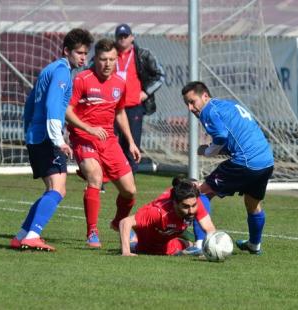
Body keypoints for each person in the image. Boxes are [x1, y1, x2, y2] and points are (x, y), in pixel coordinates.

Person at [10, 28, 94, 252]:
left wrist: (29, 130)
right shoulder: (62, 73)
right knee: (58, 189)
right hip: (47, 139)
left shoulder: (51, 69)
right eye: (79, 53)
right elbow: (53, 107)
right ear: (67, 51)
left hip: (37, 136)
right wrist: (58, 140)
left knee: (53, 189)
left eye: (85, 53)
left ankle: (21, 235)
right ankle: (33, 235)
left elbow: (30, 104)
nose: (83, 58)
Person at [182, 81, 274, 255]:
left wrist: (207, 151)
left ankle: (200, 243)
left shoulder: (208, 111)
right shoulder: (227, 105)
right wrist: (210, 149)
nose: (190, 107)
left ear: (205, 96)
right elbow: (233, 138)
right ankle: (254, 245)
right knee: (252, 203)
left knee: (202, 193)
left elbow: (222, 137)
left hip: (246, 161)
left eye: (192, 102)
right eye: (187, 103)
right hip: (266, 160)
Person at [66, 38, 141, 248]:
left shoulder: (119, 82)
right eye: (102, 59)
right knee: (95, 177)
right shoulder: (82, 79)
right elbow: (67, 110)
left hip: (109, 140)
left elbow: (120, 112)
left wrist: (131, 142)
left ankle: (118, 222)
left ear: (117, 59)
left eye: (111, 59)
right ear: (94, 59)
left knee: (130, 191)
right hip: (83, 137)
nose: (107, 64)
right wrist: (87, 129)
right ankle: (92, 232)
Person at [119, 176, 216, 256]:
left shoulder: (193, 201)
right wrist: (126, 252)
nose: (191, 210)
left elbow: (209, 228)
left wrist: (214, 249)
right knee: (146, 248)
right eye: (186, 207)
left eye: (193, 206)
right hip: (147, 244)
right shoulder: (158, 212)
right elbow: (124, 222)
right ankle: (133, 240)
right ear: (175, 203)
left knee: (192, 246)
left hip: (168, 242)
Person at [114, 23, 164, 173]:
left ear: (132, 37)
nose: (122, 39)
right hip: (113, 106)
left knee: (132, 143)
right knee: (109, 142)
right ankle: (103, 179)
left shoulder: (142, 54)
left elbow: (160, 75)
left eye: (125, 36)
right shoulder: (109, 54)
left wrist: (146, 92)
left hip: (133, 106)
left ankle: (130, 177)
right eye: (119, 37)